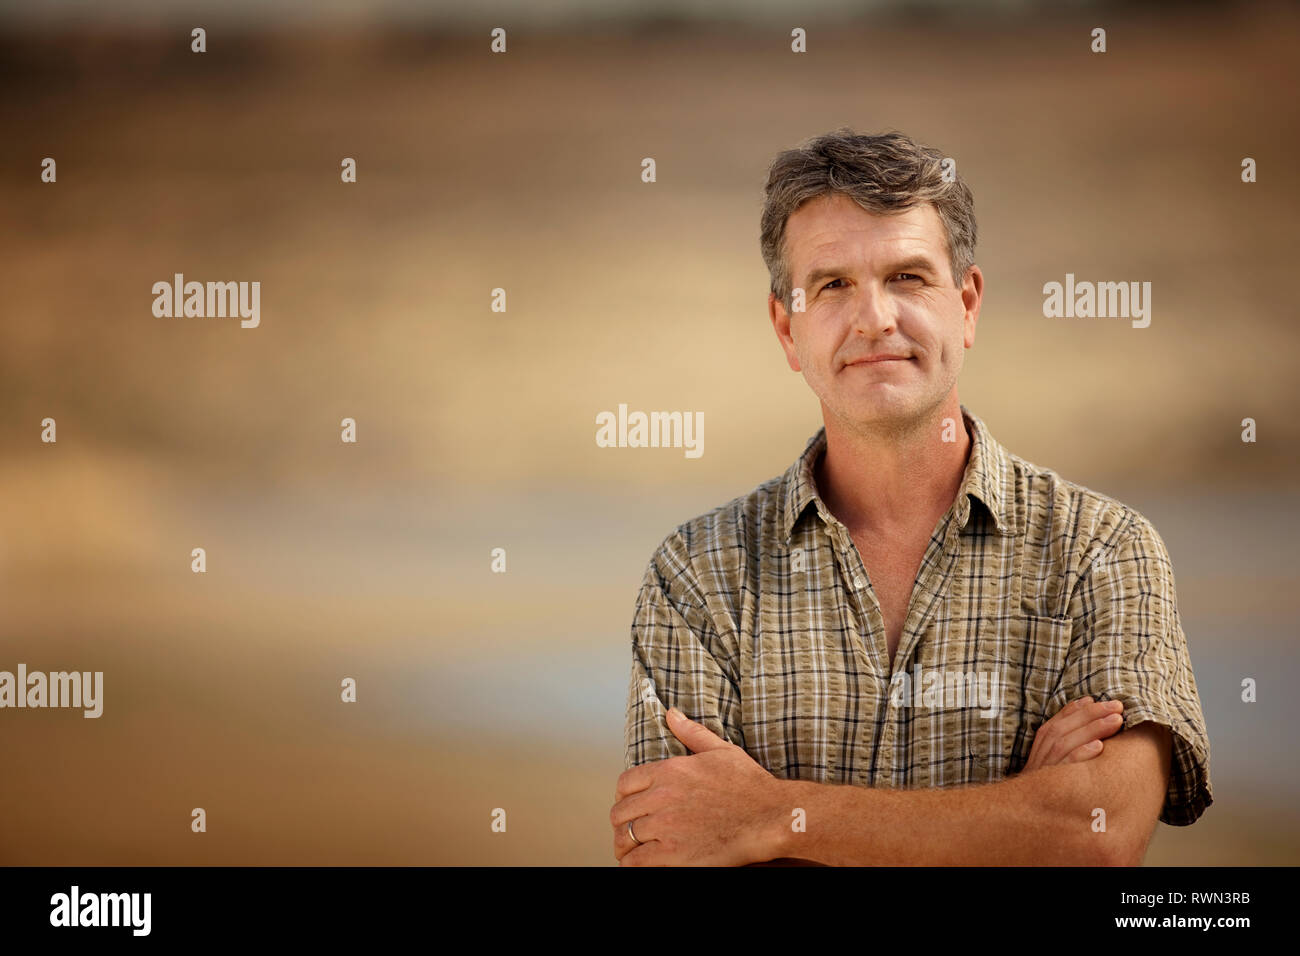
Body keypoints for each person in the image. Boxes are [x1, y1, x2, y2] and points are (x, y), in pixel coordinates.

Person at [611, 128, 1211, 866]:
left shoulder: (1102, 550)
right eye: (832, 285)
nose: (875, 319)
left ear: (967, 304)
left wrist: (771, 816)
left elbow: (1096, 837)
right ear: (786, 329)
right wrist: (1017, 817)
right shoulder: (697, 577)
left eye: (908, 278)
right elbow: (672, 847)